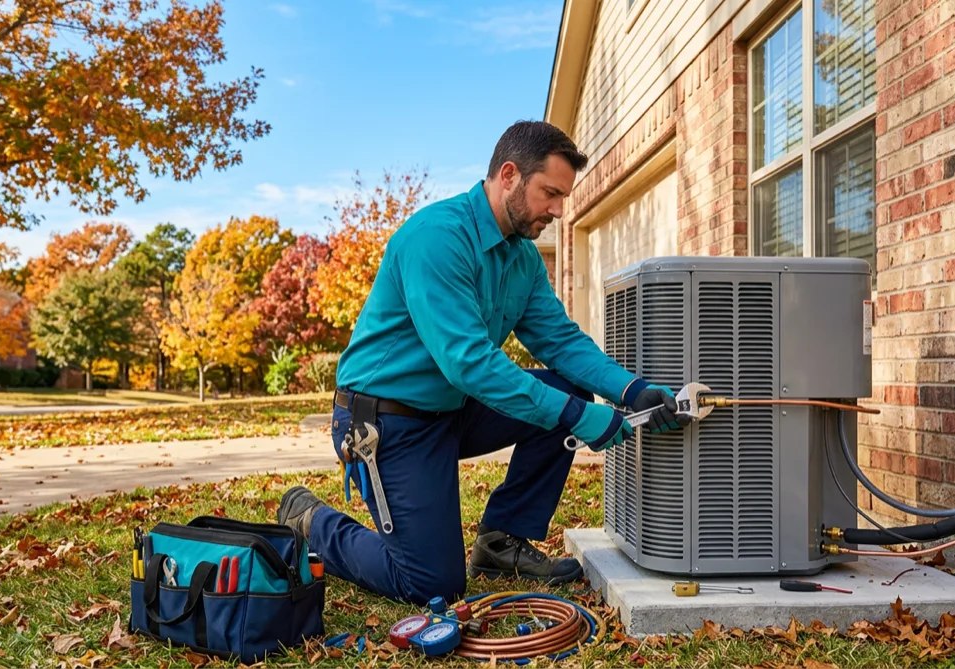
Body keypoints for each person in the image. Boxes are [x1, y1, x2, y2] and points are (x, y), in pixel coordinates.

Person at [276, 120, 690, 605]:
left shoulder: (523, 259)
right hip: (386, 422)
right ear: (509, 175)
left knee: (568, 391)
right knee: (430, 583)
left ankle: (501, 541)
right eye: (550, 194)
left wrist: (629, 390)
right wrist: (581, 417)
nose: (558, 210)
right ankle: (312, 521)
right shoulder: (436, 238)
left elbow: (558, 340)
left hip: (451, 409)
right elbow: (468, 363)